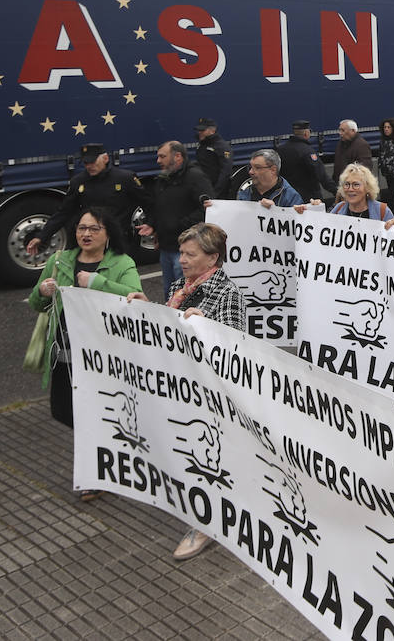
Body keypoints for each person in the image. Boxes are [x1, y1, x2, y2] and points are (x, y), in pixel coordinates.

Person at [132, 222, 246, 561]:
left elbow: (236, 348)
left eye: (189, 254)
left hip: (209, 397)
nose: (181, 259)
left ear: (212, 258)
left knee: (207, 460)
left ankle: (206, 526)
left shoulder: (227, 294)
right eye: (181, 253)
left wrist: (207, 328)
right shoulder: (185, 285)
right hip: (182, 388)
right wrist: (148, 308)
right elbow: (171, 325)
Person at [28, 207, 141, 490]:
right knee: (62, 410)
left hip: (101, 356)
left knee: (94, 412)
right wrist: (42, 293)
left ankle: (94, 472)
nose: (86, 234)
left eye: (94, 229)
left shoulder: (121, 263)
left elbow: (136, 302)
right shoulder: (59, 260)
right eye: (81, 228)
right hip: (65, 355)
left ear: (108, 234)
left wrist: (97, 282)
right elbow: (36, 304)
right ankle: (106, 448)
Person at [25, 143, 148, 257]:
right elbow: (64, 212)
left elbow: (147, 203)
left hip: (119, 242)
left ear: (105, 158)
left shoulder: (124, 178)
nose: (89, 166)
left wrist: (152, 225)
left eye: (93, 162)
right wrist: (42, 236)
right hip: (91, 243)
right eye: (86, 163)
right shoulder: (78, 182)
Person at [136, 141, 215, 300]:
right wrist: (152, 225)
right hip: (166, 248)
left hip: (187, 249)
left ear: (178, 156)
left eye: (162, 156)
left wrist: (180, 225)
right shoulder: (164, 178)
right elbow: (158, 206)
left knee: (185, 294)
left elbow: (207, 208)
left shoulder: (196, 177)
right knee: (169, 292)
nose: (158, 161)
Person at [277, 120, 335, 204]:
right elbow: (321, 175)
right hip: (309, 198)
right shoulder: (307, 151)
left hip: (288, 196)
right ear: (306, 133)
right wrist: (336, 191)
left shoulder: (281, 150)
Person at [235, 149, 303, 207]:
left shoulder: (290, 197)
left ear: (273, 170)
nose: (251, 172)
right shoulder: (245, 192)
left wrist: (275, 211)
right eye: (250, 167)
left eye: (257, 167)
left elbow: (296, 221)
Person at [194, 118, 234, 197]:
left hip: (216, 191)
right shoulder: (201, 145)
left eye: (202, 130)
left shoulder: (222, 147)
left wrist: (215, 192)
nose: (199, 133)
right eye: (199, 130)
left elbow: (226, 172)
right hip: (203, 188)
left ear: (212, 130)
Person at [332, 119, 373, 185]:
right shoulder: (341, 143)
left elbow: (365, 169)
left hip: (353, 187)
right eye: (339, 130)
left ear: (353, 131)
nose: (340, 133)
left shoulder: (361, 145)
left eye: (343, 130)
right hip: (341, 185)